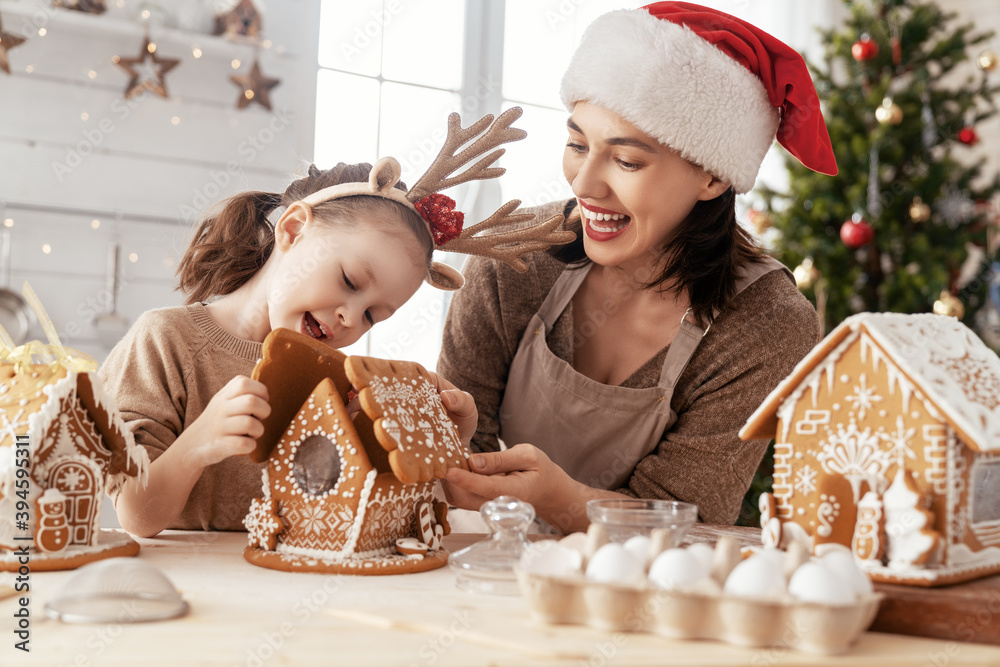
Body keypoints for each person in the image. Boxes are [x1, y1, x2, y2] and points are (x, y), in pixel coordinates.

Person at [438, 2, 838, 532]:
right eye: (578, 144)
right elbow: (455, 456)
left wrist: (561, 502)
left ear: (713, 177)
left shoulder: (767, 323)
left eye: (627, 161)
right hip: (492, 562)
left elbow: (689, 521)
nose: (584, 185)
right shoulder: (517, 255)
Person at [101, 109, 570, 538]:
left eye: (372, 314)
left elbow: (386, 508)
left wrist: (448, 439)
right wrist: (199, 442)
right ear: (292, 230)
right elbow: (136, 515)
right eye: (348, 280)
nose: (350, 316)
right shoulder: (164, 341)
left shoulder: (341, 387)